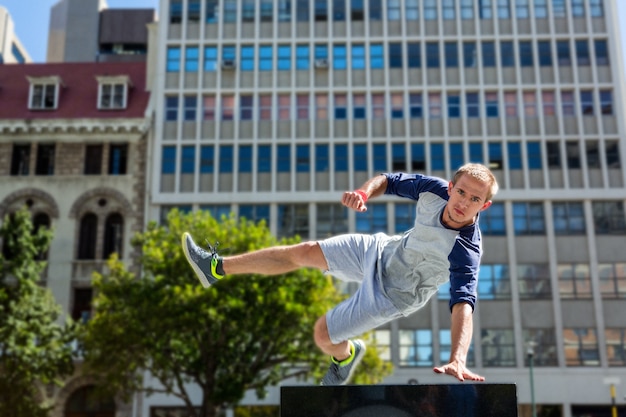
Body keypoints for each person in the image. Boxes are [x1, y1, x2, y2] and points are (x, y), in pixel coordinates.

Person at [182, 163, 498, 386]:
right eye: (461, 193)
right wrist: (362, 193)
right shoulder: (434, 190)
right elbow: (388, 180)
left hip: (393, 295)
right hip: (381, 250)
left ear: (483, 207)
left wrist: (458, 357)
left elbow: (463, 305)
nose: (463, 203)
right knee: (304, 251)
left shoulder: (465, 251)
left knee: (323, 334)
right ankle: (216, 268)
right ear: (451, 188)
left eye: (474, 200)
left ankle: (345, 357)